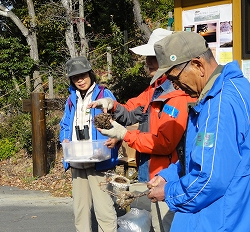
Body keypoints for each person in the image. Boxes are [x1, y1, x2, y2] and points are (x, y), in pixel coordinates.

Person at [146, 31, 250, 232]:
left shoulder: (219, 105)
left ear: (198, 65)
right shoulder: (232, 86)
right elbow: (204, 157)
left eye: (175, 78)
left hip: (219, 220)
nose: (176, 87)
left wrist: (169, 192)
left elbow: (209, 180)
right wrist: (169, 174)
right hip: (235, 213)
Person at [88, 28, 195, 232]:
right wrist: (112, 105)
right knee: (151, 224)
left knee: (164, 224)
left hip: (165, 176)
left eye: (153, 57)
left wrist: (125, 135)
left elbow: (164, 144)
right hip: (148, 172)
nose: (148, 62)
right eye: (147, 57)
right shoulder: (154, 89)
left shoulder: (177, 97)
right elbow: (131, 110)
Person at [59, 56, 119, 232]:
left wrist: (115, 139)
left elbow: (119, 121)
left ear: (90, 74)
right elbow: (64, 125)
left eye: (83, 75)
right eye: (75, 77)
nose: (80, 80)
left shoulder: (104, 94)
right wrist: (64, 138)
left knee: (104, 210)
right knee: (80, 210)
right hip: (77, 158)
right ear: (71, 79)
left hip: (100, 159)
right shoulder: (71, 100)